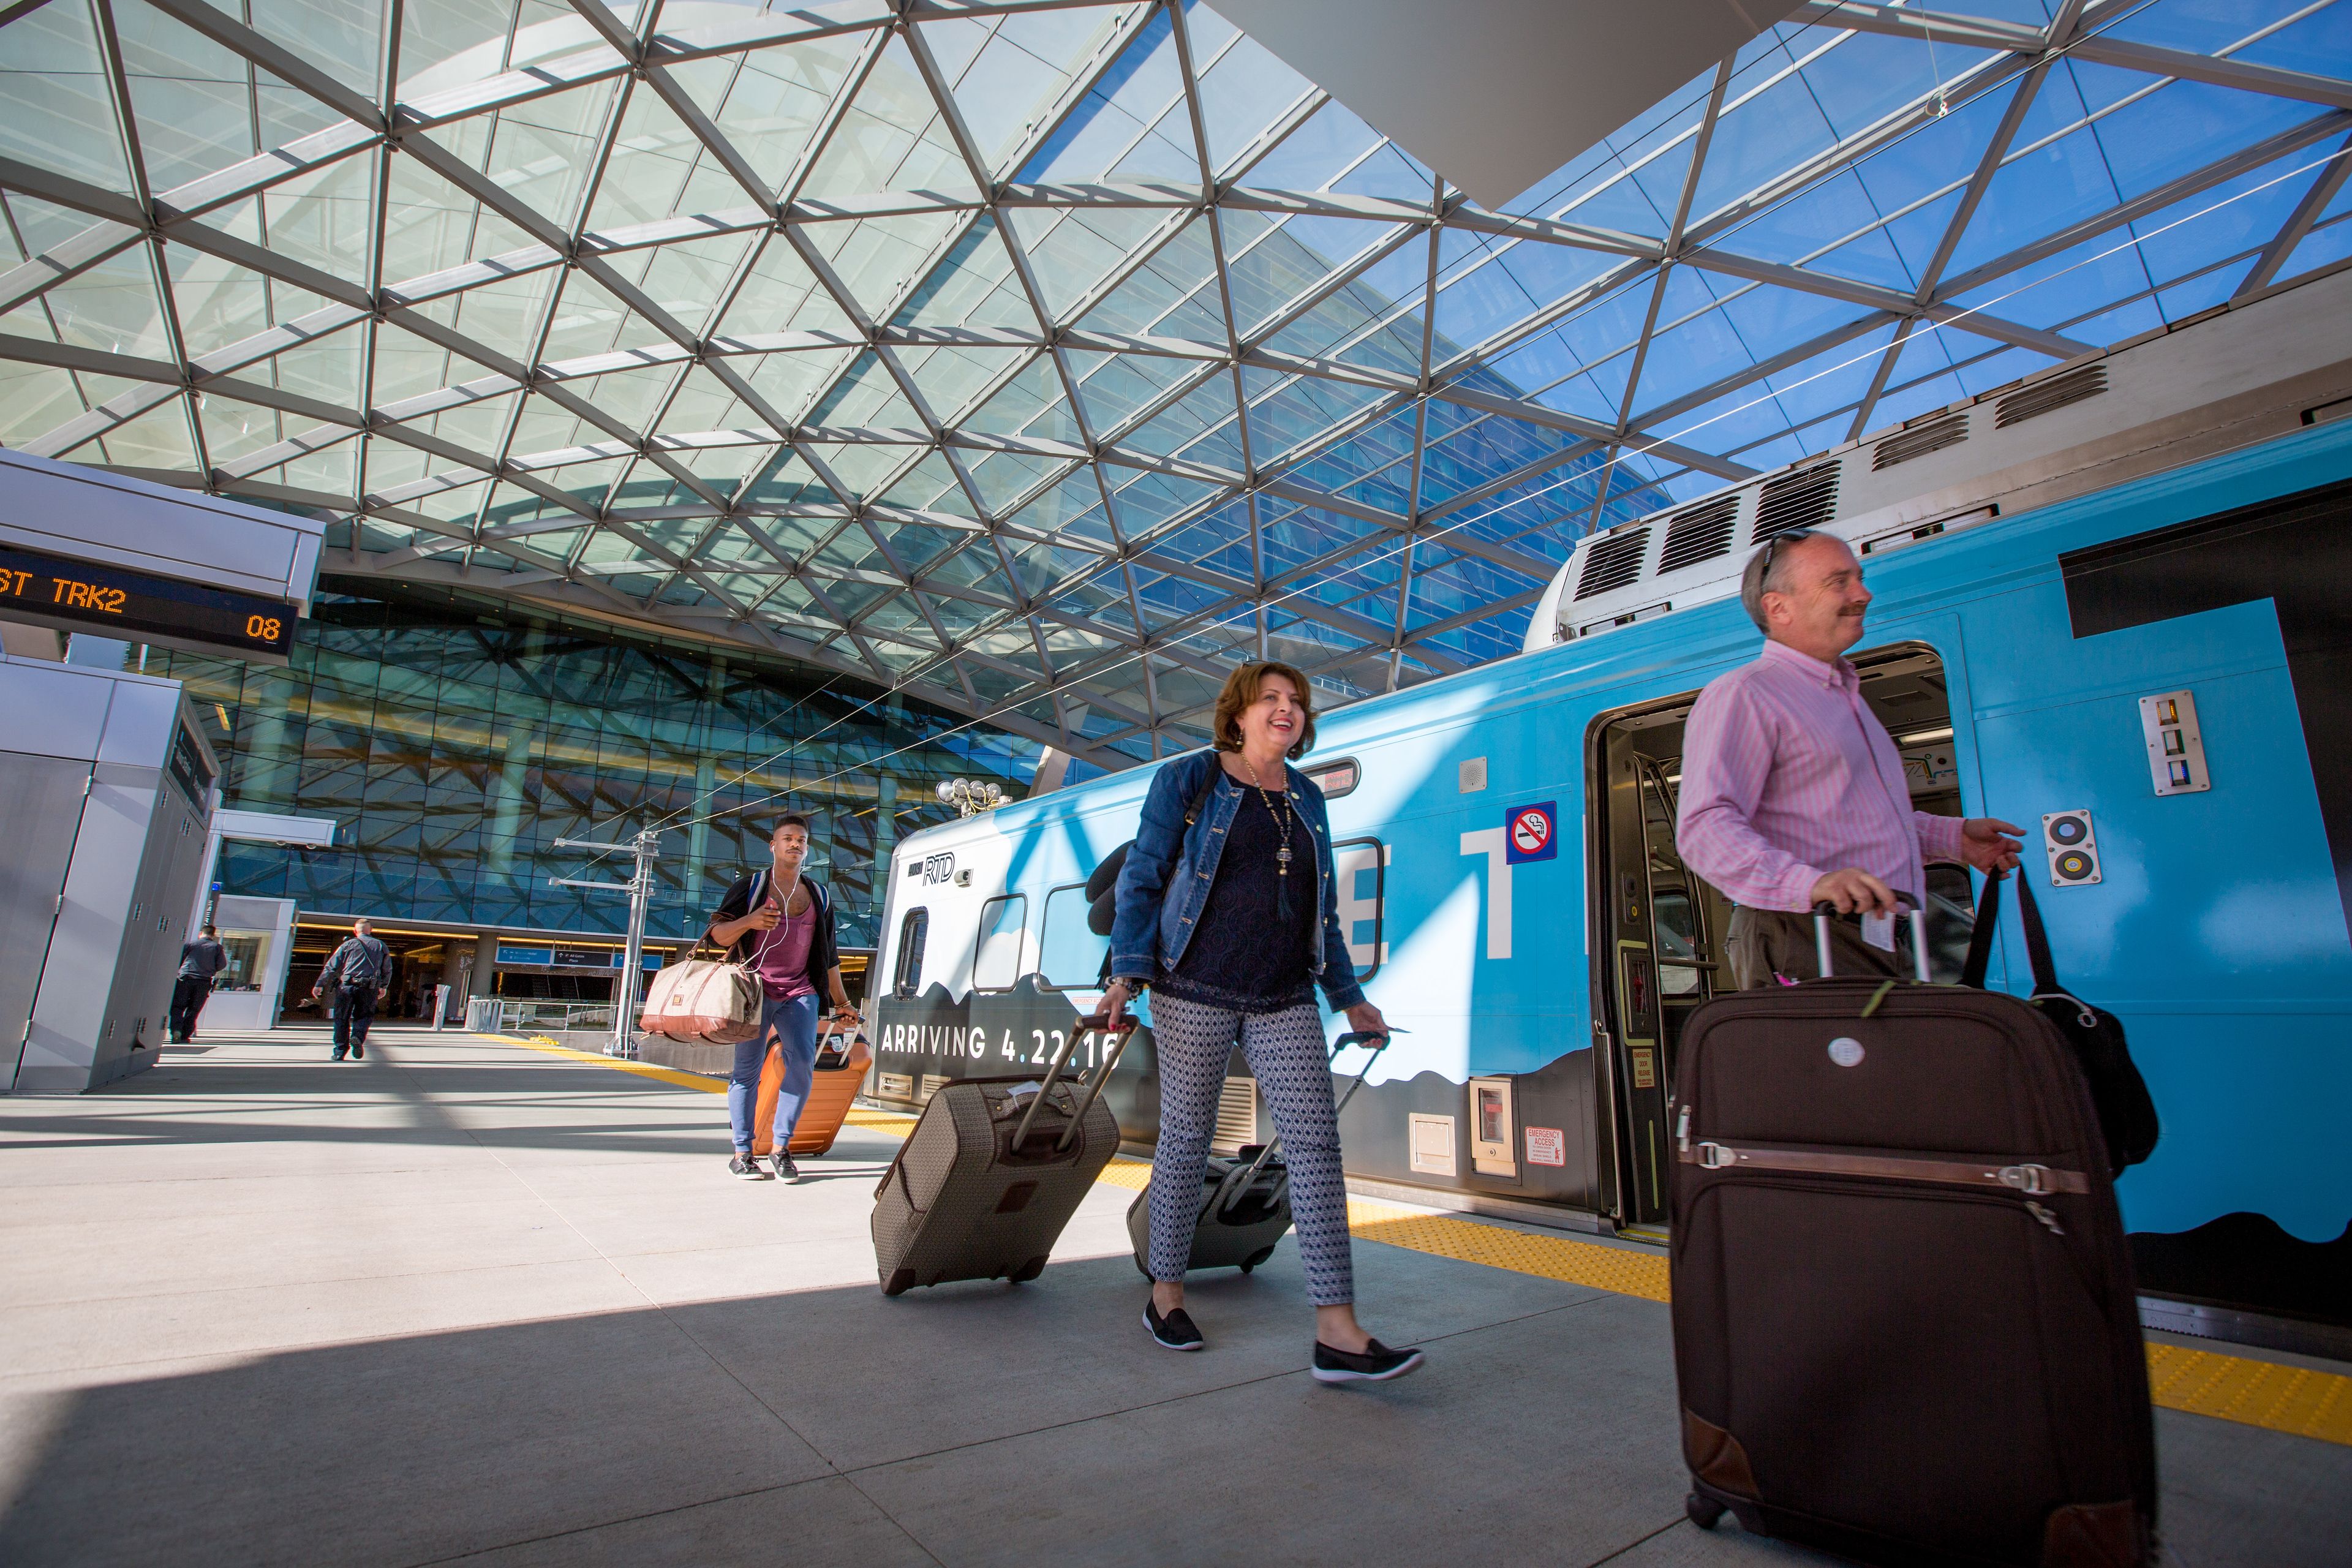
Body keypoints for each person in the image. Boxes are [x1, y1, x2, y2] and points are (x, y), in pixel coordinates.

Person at [1104, 660, 1422, 1384]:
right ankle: (1167, 1294)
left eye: (1298, 701)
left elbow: (1323, 910)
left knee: (1314, 1147)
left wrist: (1350, 996)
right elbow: (1144, 877)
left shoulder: (1308, 796)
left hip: (1283, 994)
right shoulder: (1190, 781)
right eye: (1271, 699)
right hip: (1194, 986)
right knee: (1187, 1138)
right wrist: (1127, 973)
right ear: (1238, 714)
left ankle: (1337, 1331)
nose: (1288, 709)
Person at [1676, 529, 2022, 987]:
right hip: (1805, 932)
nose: (1863, 593)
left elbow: (1854, 825)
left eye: (1858, 578)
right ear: (1779, 607)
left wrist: (1954, 838)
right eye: (1838, 582)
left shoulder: (1845, 699)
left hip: (1868, 936)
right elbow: (1705, 828)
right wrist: (1811, 885)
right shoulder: (1747, 693)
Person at [706, 815, 860, 1181]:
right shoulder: (751, 888)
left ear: (807, 848)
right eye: (788, 838)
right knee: (747, 1071)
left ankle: (781, 1148)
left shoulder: (819, 895)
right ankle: (743, 1152)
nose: (795, 844)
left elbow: (830, 957)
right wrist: (751, 921)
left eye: (802, 840)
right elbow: (716, 936)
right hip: (754, 992)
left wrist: (842, 1003)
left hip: (801, 991)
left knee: (803, 1066)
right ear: (773, 846)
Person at [311, 919, 391, 1061]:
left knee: (341, 1017)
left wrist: (319, 984)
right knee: (365, 1015)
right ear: (370, 930)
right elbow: (387, 969)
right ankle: (358, 1037)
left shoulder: (348, 944)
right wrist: (383, 987)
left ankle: (340, 1051)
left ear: (355, 931)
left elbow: (331, 966)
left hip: (346, 986)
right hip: (369, 987)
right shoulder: (380, 945)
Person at [168, 924, 228, 1042]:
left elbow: (179, 959)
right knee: (194, 1009)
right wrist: (211, 969)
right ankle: (185, 1035)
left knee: (178, 1007)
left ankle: (176, 1030)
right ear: (213, 935)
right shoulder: (217, 947)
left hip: (185, 979)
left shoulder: (190, 945)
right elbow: (222, 965)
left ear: (201, 934)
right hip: (204, 981)